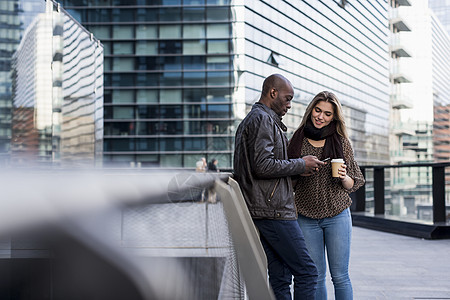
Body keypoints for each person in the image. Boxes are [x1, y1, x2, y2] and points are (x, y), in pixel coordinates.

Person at [234, 74, 324, 299]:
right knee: (307, 272)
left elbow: (263, 165)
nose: (289, 105)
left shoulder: (256, 118)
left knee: (280, 276)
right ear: (272, 92)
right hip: (273, 211)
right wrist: (301, 163)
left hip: (265, 208)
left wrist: (298, 169)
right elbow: (262, 166)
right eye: (287, 98)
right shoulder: (262, 119)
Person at [287, 91, 365, 300]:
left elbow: (355, 181)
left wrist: (343, 176)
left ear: (334, 117)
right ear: (311, 110)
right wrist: (299, 170)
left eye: (327, 114)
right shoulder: (297, 140)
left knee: (340, 276)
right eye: (318, 110)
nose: (320, 116)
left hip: (337, 216)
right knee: (316, 276)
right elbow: (287, 180)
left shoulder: (342, 142)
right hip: (305, 217)